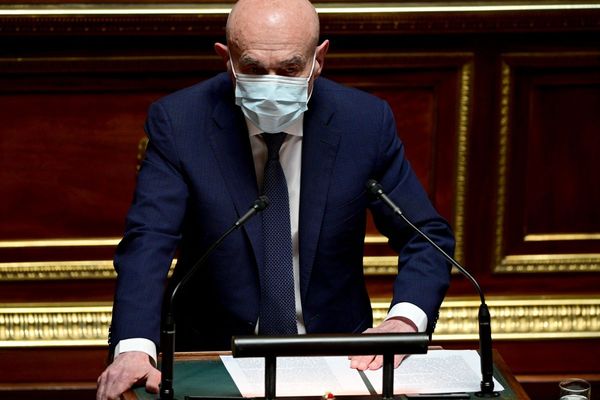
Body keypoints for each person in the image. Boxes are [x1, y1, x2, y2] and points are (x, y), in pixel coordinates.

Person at [96, 0, 454, 398]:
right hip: (215, 355)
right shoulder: (180, 122)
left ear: (319, 59)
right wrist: (133, 347)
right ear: (225, 59)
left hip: (339, 355)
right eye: (252, 68)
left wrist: (403, 324)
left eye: (288, 69)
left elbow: (426, 237)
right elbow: (149, 241)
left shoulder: (364, 123)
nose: (271, 83)